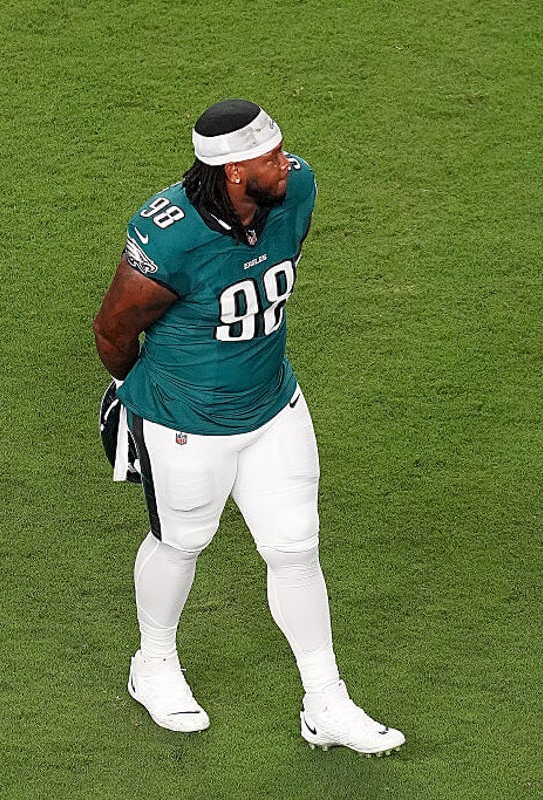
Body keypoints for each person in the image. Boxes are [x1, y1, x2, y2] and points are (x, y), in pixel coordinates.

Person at [92, 99, 403, 756]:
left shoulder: (297, 190)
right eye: (268, 157)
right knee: (181, 543)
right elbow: (113, 330)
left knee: (296, 547)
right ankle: (153, 664)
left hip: (272, 406)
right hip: (187, 422)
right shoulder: (171, 235)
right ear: (233, 171)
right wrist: (136, 392)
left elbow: (274, 268)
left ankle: (325, 700)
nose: (285, 163)